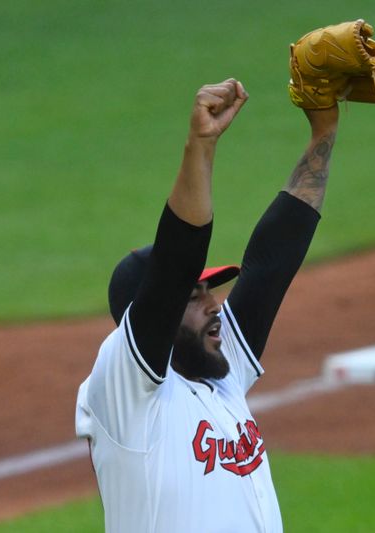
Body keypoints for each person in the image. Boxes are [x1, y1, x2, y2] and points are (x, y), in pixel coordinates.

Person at [75, 78, 338, 532]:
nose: (214, 305)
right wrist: (201, 146)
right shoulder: (128, 392)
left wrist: (324, 132)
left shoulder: (220, 375)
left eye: (209, 291)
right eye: (192, 297)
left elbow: (271, 264)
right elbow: (178, 256)